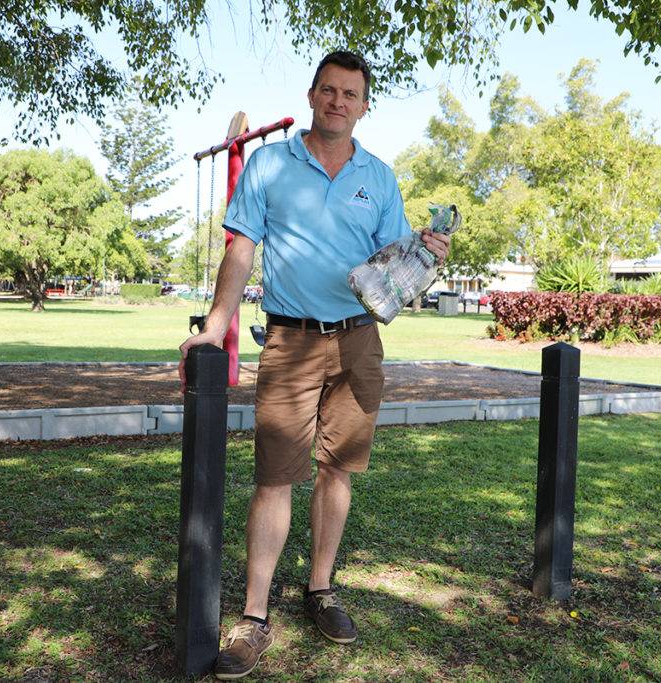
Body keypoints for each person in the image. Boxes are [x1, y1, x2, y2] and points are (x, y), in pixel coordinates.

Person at [178, 50, 451, 680]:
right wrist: (216, 327)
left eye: (350, 94)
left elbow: (391, 260)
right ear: (311, 96)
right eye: (328, 91)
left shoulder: (379, 177)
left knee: (338, 470)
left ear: (363, 103)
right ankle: (254, 616)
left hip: (359, 341)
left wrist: (424, 250)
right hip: (292, 340)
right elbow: (241, 249)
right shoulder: (272, 164)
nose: (338, 101)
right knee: (276, 475)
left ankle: (321, 590)